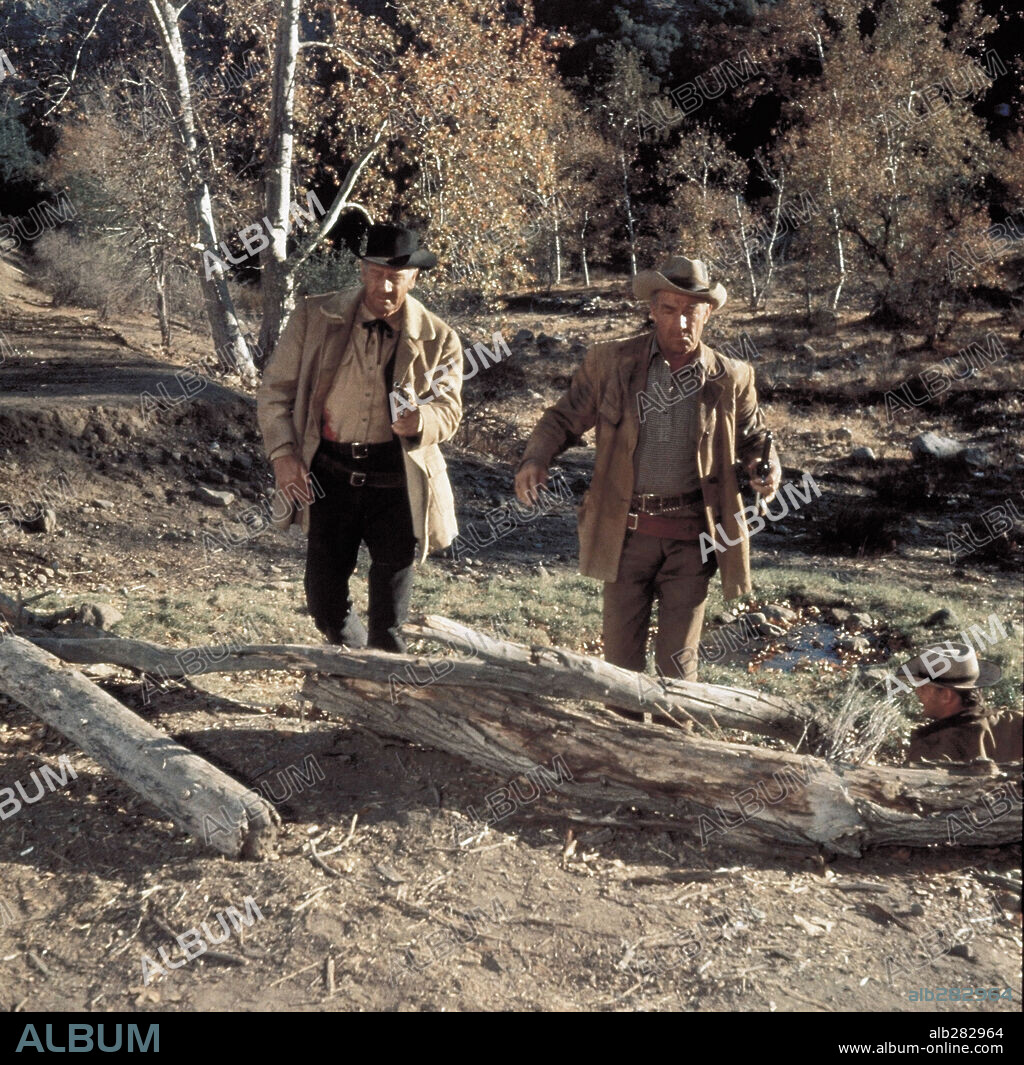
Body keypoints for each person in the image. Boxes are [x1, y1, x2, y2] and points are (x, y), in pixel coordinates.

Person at [514, 255, 780, 690]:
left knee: (678, 670)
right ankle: (621, 732)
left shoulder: (731, 377)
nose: (681, 322)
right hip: (625, 536)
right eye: (670, 310)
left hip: (693, 541)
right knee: (620, 669)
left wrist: (763, 469)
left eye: (692, 310)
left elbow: (755, 440)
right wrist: (535, 460)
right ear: (653, 310)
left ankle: (677, 732)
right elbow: (562, 419)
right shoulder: (611, 363)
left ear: (708, 313)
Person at [257, 223, 462, 651]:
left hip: (398, 482)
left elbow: (449, 410)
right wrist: (283, 455)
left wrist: (421, 421)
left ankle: (385, 681)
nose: (384, 287)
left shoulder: (440, 337)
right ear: (362, 269)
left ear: (414, 278)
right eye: (376, 274)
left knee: (390, 617)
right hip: (330, 476)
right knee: (324, 603)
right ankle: (356, 661)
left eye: (396, 277)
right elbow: (275, 392)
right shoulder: (314, 316)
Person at [903, 643, 1022, 763]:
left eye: (923, 688)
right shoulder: (1013, 721)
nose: (917, 692)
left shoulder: (931, 747)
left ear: (946, 696)